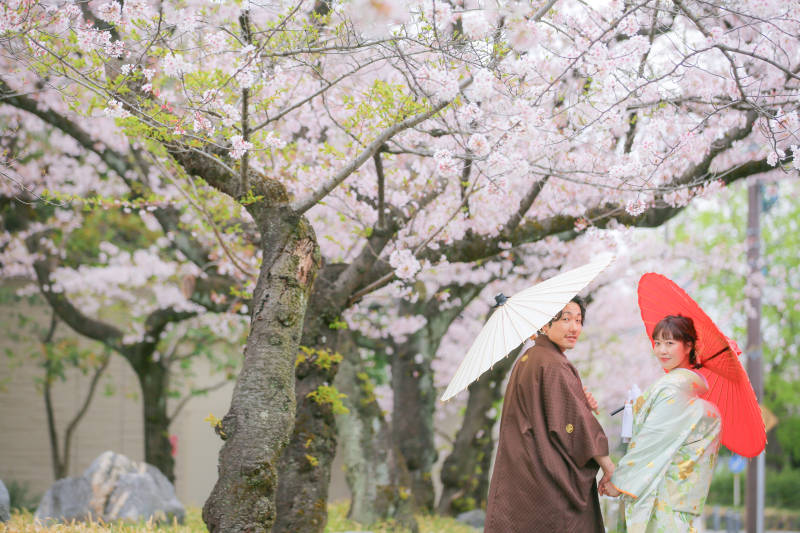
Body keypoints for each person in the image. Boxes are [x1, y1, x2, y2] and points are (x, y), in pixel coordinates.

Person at [485, 296, 613, 533]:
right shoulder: (553, 363)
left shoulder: (529, 359)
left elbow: (553, 412)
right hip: (547, 480)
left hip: (523, 476)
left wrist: (578, 400)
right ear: (544, 325)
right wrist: (609, 468)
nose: (574, 327)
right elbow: (576, 423)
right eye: (565, 319)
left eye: (578, 320)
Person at [600, 315, 722, 533]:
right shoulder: (690, 391)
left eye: (669, 343)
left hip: (661, 497)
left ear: (688, 346)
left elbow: (652, 442)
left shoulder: (672, 389)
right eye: (657, 343)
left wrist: (618, 481)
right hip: (681, 499)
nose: (661, 350)